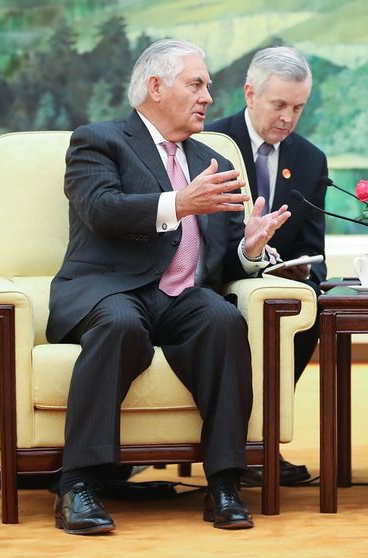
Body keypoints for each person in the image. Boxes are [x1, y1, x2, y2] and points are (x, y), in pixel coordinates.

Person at [47, 39, 291, 535]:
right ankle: (78, 485)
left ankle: (224, 483)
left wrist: (248, 248)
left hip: (180, 299)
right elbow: (102, 210)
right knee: (119, 324)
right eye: (196, 84)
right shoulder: (99, 141)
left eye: (208, 87)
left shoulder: (211, 161)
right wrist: (178, 203)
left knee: (224, 319)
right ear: (156, 87)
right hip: (111, 290)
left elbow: (218, 263)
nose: (208, 97)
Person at [205, 46, 326, 486]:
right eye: (279, 105)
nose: (288, 118)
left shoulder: (311, 160)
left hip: (275, 287)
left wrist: (303, 271)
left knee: (306, 303)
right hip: (213, 278)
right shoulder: (209, 145)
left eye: (298, 107)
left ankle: (260, 441)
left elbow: (316, 249)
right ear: (250, 93)